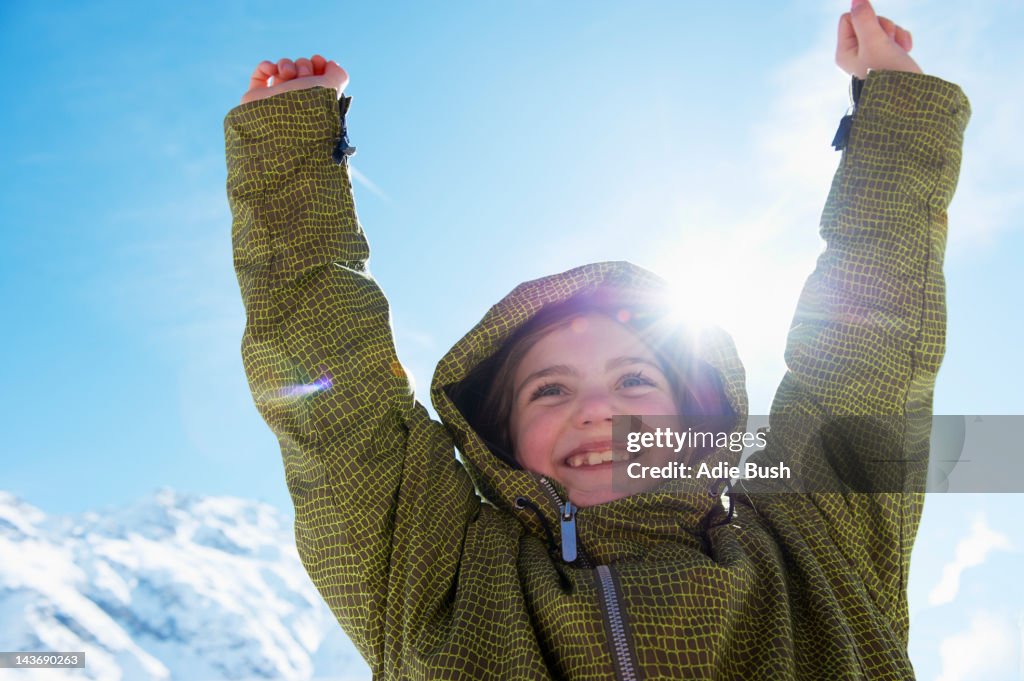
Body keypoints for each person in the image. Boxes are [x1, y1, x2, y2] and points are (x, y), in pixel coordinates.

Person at [225, 0, 970, 677]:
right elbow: (339, 403)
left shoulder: (814, 543)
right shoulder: (437, 580)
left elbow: (867, 352)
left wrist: (894, 105)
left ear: (693, 415)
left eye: (634, 380)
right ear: (502, 435)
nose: (596, 410)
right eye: (549, 389)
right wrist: (291, 145)